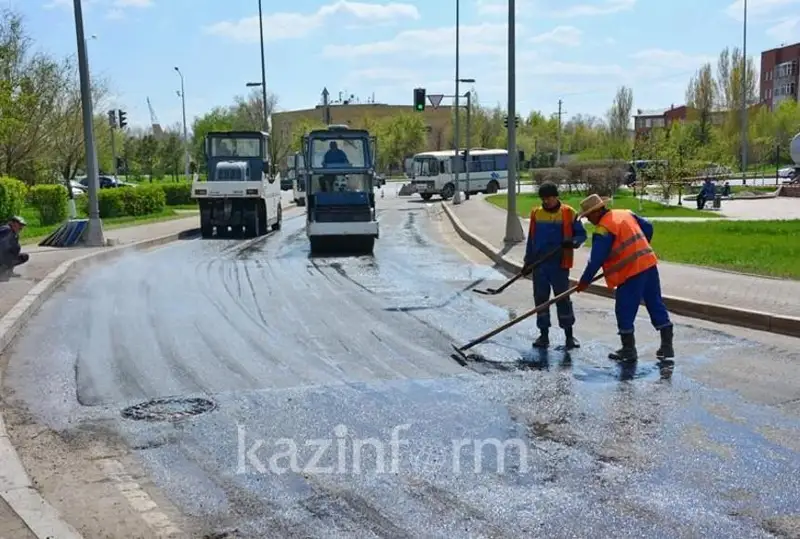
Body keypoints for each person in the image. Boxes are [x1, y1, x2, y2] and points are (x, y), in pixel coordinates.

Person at [575, 194, 674, 363]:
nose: (589, 220)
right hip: (648, 263)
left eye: (589, 216)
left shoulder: (603, 229)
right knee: (654, 302)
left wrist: (584, 281)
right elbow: (648, 227)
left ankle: (628, 349)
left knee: (624, 308)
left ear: (597, 212)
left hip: (630, 271)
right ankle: (667, 346)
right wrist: (640, 247)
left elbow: (596, 260)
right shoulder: (625, 213)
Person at [523, 182, 587, 349]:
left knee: (563, 299)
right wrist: (527, 262)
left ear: (556, 196)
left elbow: (581, 234)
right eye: (544, 199)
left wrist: (572, 242)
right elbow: (531, 239)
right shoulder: (536, 214)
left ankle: (569, 337)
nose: (547, 202)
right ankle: (543, 336)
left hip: (560, 264)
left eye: (549, 198)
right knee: (541, 300)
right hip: (540, 265)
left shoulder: (569, 213)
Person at [0, 216, 29, 281]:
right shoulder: (6, 229)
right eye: (20, 225)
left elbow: (14, 251)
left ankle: (9, 272)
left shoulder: (14, 234)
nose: (21, 227)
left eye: (22, 225)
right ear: (13, 223)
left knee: (23, 256)